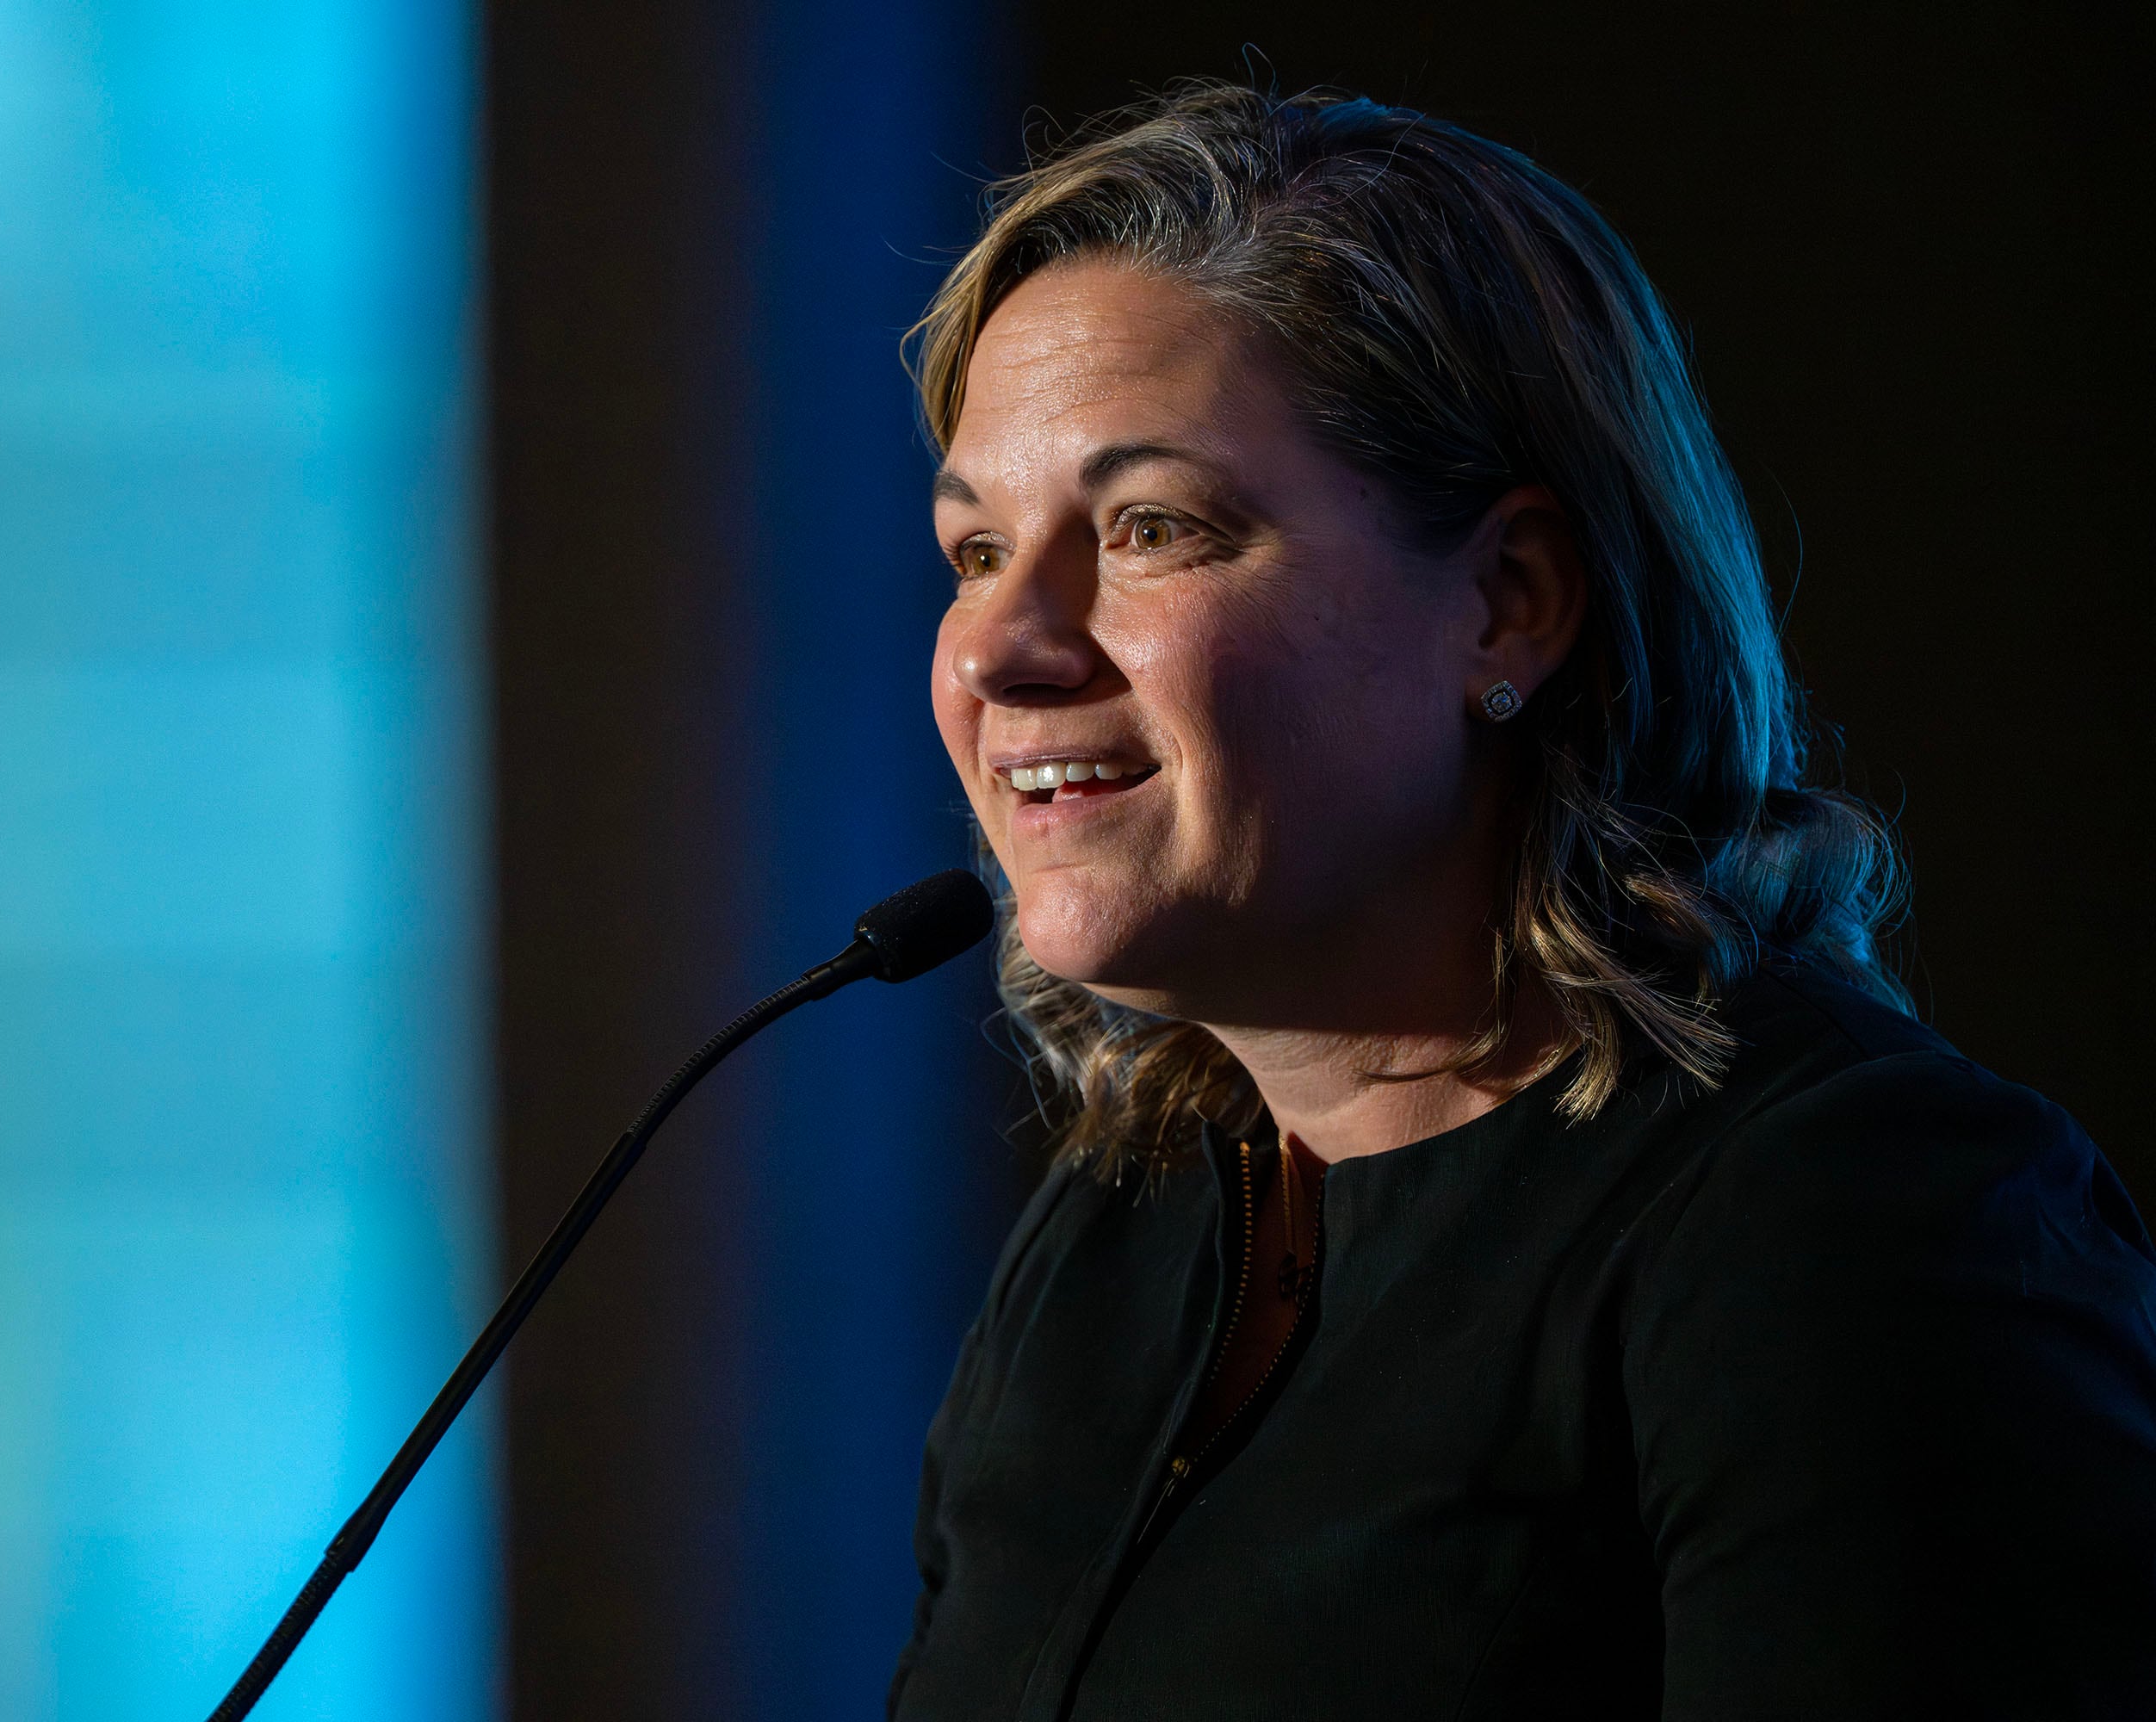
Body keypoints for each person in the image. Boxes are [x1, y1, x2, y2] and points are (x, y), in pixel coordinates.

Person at [889, 84, 2156, 1721]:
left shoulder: (1856, 1222)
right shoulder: (1115, 1235)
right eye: (976, 554)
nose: (1002, 651)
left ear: (1510, 605)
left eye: (1149, 528)